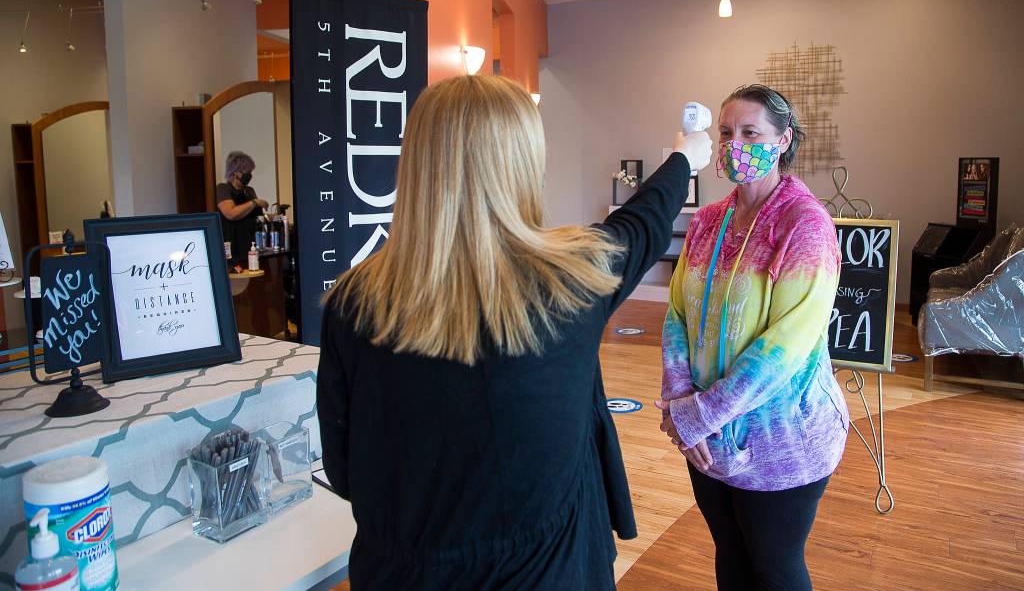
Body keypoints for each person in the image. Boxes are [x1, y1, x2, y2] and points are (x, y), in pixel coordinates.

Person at [316, 75, 712, 589]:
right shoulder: (572, 281)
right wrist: (683, 160)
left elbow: (345, 469)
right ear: (524, 164)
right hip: (551, 572)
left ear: (415, 163)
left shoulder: (352, 303)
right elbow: (645, 222)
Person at [656, 84, 849, 591]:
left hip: (784, 441)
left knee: (774, 567)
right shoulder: (707, 221)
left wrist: (698, 415)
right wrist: (680, 401)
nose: (734, 144)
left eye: (750, 132)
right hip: (706, 440)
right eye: (726, 133)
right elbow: (677, 313)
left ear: (782, 140)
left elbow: (784, 349)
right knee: (730, 557)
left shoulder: (804, 225)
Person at [216, 151, 268, 263]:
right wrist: (254, 203)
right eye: (247, 172)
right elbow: (231, 213)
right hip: (234, 244)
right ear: (236, 172)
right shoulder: (223, 189)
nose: (249, 175)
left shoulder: (249, 191)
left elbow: (257, 216)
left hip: (252, 244)